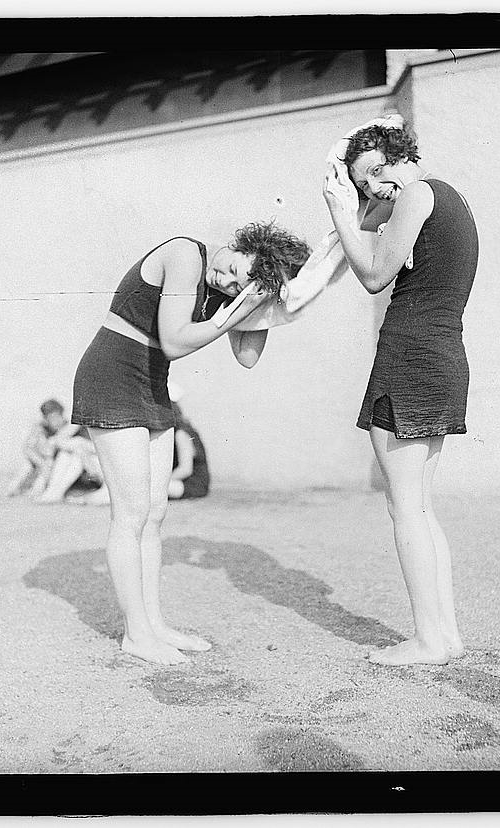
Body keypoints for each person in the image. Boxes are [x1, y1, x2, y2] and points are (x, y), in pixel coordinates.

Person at [71, 223, 311, 665]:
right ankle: (135, 634)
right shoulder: (186, 255)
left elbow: (247, 355)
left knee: (155, 514)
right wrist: (234, 309)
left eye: (240, 284)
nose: (228, 281)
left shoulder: (232, 289)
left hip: (152, 382)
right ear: (241, 245)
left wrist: (268, 306)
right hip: (111, 375)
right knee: (131, 513)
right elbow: (176, 340)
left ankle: (153, 624)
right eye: (235, 268)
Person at [323, 121, 479, 666]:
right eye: (364, 184)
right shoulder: (446, 197)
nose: (374, 190)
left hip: (410, 356)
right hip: (441, 357)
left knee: (405, 507)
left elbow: (371, 273)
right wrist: (357, 185)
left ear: (394, 157)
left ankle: (428, 639)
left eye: (374, 173)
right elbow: (372, 218)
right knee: (419, 505)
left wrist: (341, 210)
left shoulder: (416, 194)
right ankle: (445, 634)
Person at [6, 398, 97, 498]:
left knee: (62, 454)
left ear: (62, 414)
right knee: (29, 463)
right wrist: (42, 463)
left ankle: (43, 491)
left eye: (58, 416)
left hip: (75, 470)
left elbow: (60, 443)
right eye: (52, 418)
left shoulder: (70, 427)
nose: (56, 421)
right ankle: (14, 489)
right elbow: (28, 448)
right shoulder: (41, 428)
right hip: (49, 466)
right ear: (46, 419)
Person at [168, 402, 210, 500]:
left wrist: (162, 483)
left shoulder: (181, 434)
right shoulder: (182, 432)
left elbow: (185, 470)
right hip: (182, 481)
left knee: (154, 490)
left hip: (192, 483)